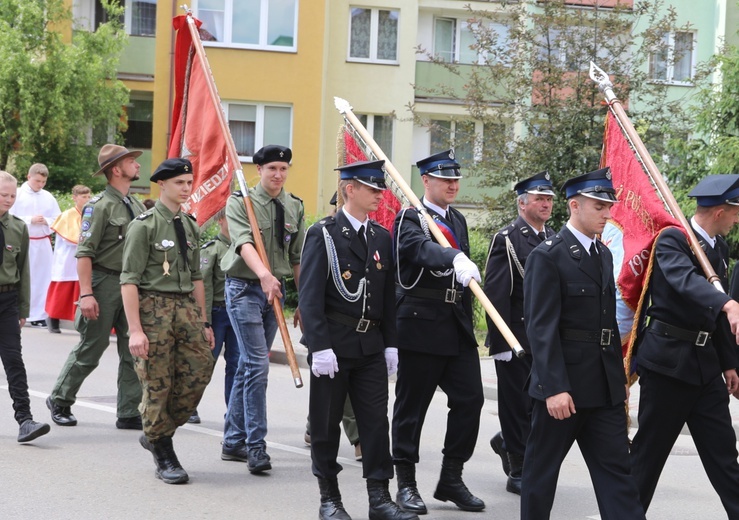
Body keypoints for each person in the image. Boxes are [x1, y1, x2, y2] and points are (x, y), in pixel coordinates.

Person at [520, 167, 644, 520]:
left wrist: (617, 383)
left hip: (603, 388)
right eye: (599, 207)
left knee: (618, 474)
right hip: (563, 389)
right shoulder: (549, 255)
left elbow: (604, 325)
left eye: (608, 206)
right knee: (541, 474)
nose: (607, 213)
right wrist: (555, 387)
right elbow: (541, 330)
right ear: (574, 205)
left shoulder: (603, 255)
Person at [300, 160, 417, 520]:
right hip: (333, 345)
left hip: (370, 345)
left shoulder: (380, 236)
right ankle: (329, 498)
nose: (379, 195)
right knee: (325, 423)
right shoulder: (324, 234)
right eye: (372, 189)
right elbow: (309, 296)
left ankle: (380, 498)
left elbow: (387, 296)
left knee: (374, 423)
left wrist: (392, 342)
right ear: (349, 189)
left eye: (380, 189)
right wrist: (318, 345)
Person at [630, 174, 739, 516]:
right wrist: (726, 302)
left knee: (724, 457)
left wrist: (729, 363)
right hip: (667, 366)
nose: (738, 220)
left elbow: (716, 320)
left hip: (705, 369)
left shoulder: (717, 248)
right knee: (648, 457)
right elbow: (684, 281)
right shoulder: (672, 239)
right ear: (721, 211)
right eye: (736, 212)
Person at [392, 150, 485, 515]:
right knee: (412, 407)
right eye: (444, 178)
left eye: (455, 178)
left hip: (454, 323)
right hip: (420, 322)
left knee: (470, 400)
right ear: (425, 181)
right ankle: (406, 483)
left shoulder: (457, 219)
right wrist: (453, 258)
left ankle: (451, 477)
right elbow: (420, 250)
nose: (452, 184)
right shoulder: (409, 218)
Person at [121, 157, 214, 484]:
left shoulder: (189, 224)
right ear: (163, 184)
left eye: (189, 182)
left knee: (200, 370)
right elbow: (129, 279)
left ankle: (156, 430)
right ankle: (163, 449)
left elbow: (198, 276)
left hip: (186, 309)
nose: (186, 188)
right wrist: (135, 329)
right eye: (179, 183)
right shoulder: (143, 226)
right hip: (153, 308)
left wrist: (204, 322)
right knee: (157, 382)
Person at [47, 144, 145, 430]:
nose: (137, 165)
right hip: (103, 282)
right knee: (93, 344)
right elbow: (85, 253)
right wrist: (87, 293)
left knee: (133, 347)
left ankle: (128, 411)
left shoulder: (136, 205)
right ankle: (60, 398)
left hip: (130, 284)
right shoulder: (98, 206)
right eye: (130, 161)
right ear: (116, 170)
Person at [220, 145, 304, 473]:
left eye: (283, 169)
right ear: (259, 170)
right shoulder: (242, 202)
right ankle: (256, 446)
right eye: (272, 169)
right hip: (244, 288)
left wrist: (303, 302)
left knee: (246, 367)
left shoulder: (294, 205)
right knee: (258, 364)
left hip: (275, 293)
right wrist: (264, 275)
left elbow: (296, 257)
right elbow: (243, 244)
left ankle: (232, 440)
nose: (278, 175)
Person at [483, 171, 555, 495]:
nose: (546, 204)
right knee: (516, 403)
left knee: (539, 404)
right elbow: (496, 293)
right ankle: (518, 467)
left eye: (549, 199)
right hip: (517, 336)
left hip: (545, 338)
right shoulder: (508, 239)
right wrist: (500, 341)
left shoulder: (552, 237)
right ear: (522, 202)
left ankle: (506, 441)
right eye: (540, 198)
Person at [303, 190, 362, 462]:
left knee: (340, 392)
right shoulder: (323, 236)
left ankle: (316, 428)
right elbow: (311, 288)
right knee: (334, 392)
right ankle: (353, 437)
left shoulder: (363, 238)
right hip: (327, 330)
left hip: (355, 334)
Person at [0, 170, 51, 443]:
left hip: (7, 301)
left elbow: (24, 271)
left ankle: (25, 420)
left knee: (14, 361)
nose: (8, 200)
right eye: (3, 195)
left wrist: (23, 309)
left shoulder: (18, 228)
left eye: (12, 195)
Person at [192, 208, 239, 423]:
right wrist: (205, 322)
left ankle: (234, 411)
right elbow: (205, 288)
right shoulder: (212, 249)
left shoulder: (245, 247)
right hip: (217, 313)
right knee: (205, 362)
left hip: (237, 313)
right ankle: (189, 406)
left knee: (237, 365)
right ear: (221, 220)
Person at [10, 163, 61, 326]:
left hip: (43, 244)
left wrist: (46, 221)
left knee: (43, 278)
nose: (40, 185)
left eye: (43, 182)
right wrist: (29, 220)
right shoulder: (16, 194)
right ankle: (19, 312)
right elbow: (9, 216)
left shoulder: (48, 196)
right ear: (28, 177)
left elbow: (58, 219)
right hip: (23, 243)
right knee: (24, 278)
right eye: (37, 181)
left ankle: (39, 314)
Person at [45, 185, 92, 333]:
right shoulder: (67, 215)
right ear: (75, 198)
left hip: (82, 258)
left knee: (82, 290)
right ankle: (53, 319)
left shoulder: (90, 214)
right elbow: (69, 238)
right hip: (67, 259)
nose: (87, 199)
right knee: (62, 292)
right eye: (83, 197)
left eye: (88, 196)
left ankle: (81, 322)